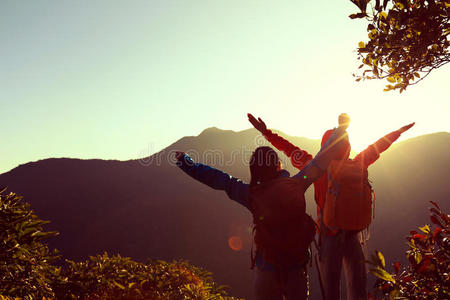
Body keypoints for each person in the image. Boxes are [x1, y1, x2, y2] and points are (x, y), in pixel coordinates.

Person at [175, 118, 349, 300]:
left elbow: (219, 179)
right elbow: (322, 159)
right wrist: (341, 129)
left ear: (254, 170)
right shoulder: (297, 184)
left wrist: (186, 163)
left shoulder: (251, 194)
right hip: (296, 268)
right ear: (278, 165)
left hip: (266, 268)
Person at [248, 113, 415, 300]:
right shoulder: (358, 163)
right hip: (353, 234)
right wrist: (397, 132)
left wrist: (266, 133)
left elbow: (288, 148)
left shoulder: (313, 165)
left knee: (331, 289)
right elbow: (378, 146)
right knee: (357, 286)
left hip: (328, 236)